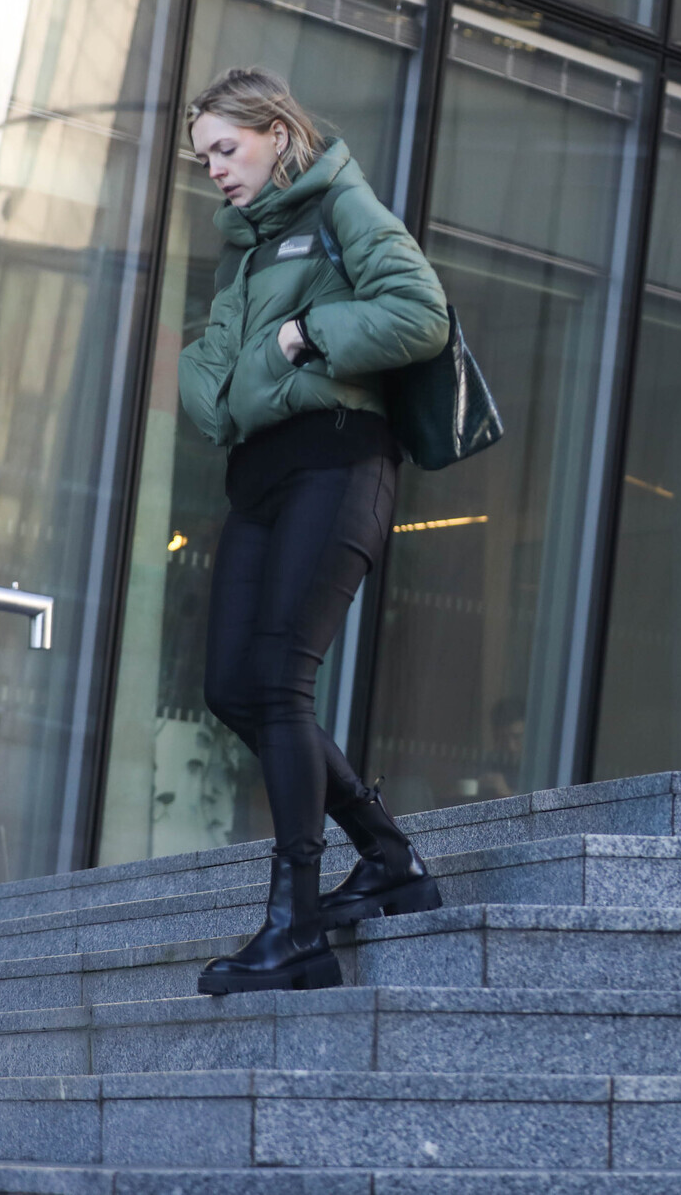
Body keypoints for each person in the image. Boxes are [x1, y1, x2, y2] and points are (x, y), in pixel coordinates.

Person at [178, 67, 448, 995]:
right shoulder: (243, 254)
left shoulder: (343, 204)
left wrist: (305, 336)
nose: (215, 168)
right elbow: (212, 389)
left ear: (278, 132)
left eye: (227, 147)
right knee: (231, 687)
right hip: (259, 477)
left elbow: (420, 312)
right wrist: (237, 365)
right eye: (204, 157)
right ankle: (388, 855)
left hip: (338, 460)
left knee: (279, 680)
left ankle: (295, 925)